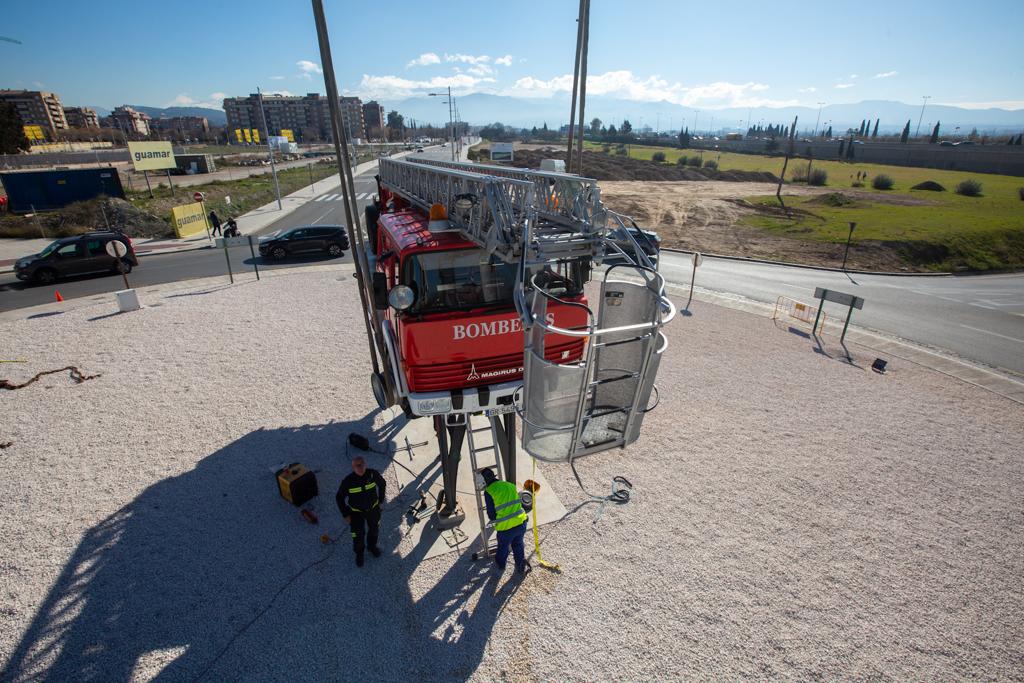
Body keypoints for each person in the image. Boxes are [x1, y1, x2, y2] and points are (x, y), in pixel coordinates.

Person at [336, 454, 386, 567]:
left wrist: (381, 500)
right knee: (357, 535)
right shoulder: (348, 481)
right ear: (353, 468)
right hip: (356, 513)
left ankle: (372, 547)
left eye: (361, 464)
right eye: (356, 465)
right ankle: (360, 553)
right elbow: (339, 497)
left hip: (373, 509)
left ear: (365, 464)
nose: (359, 467)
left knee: (374, 530)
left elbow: (382, 484)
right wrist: (345, 514)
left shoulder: (372, 474)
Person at [481, 468, 531, 576]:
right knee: (518, 544)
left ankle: (501, 564)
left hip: (506, 528)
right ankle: (520, 565)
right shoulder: (510, 485)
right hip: (521, 522)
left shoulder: (489, 492)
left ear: (484, 481)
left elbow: (491, 514)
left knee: (503, 547)